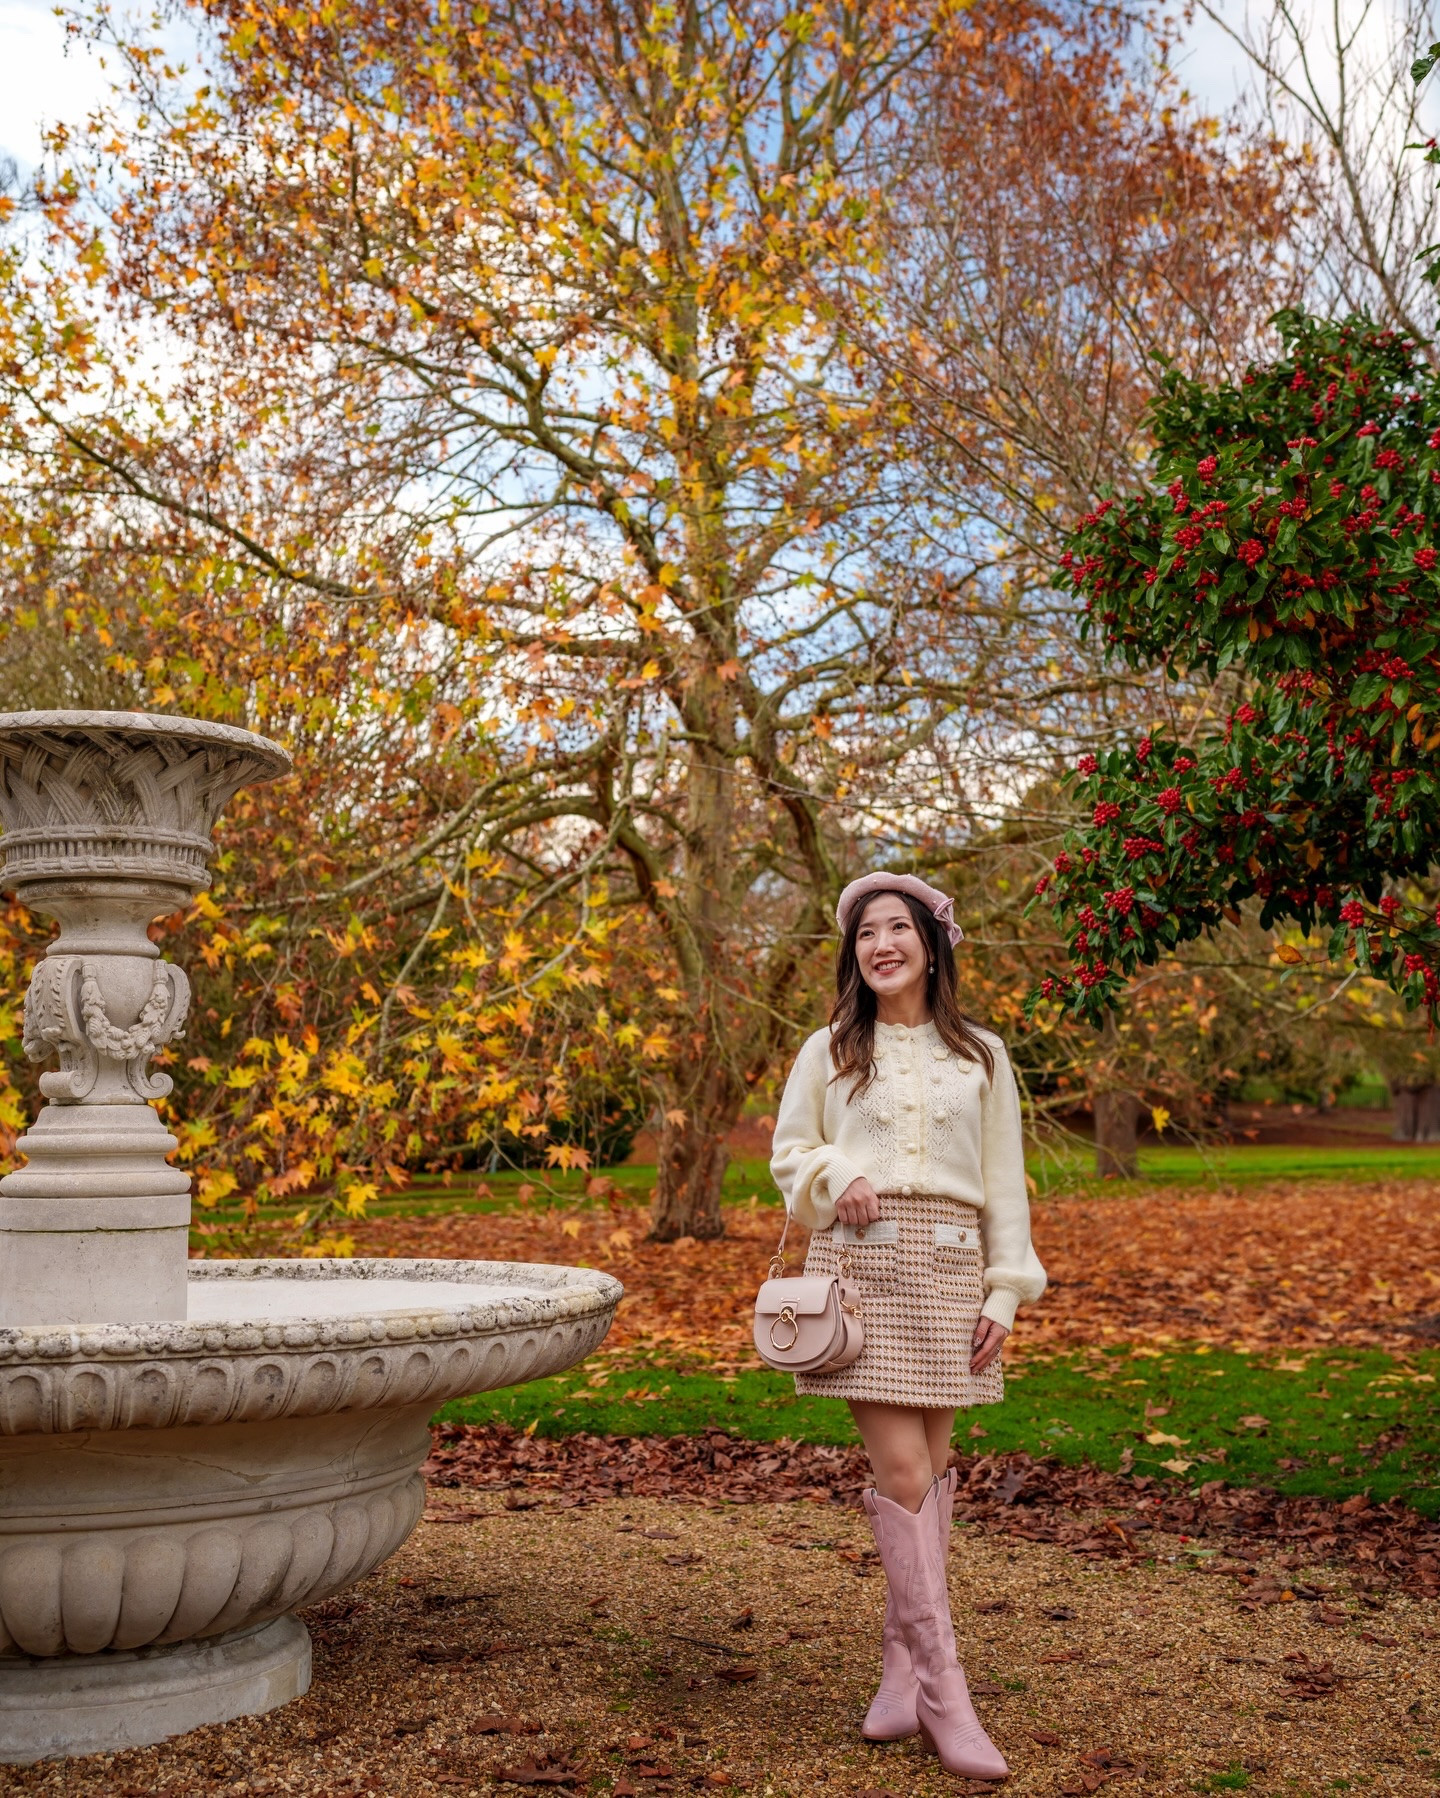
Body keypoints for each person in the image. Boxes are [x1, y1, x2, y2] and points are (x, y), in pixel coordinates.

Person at [769, 872, 1047, 1780]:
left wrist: (1004, 1294)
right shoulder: (830, 1049)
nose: (881, 944)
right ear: (853, 955)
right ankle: (945, 1690)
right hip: (862, 1271)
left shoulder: (984, 1055)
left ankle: (899, 1670)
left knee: (935, 1470)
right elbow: (788, 1152)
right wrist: (835, 1173)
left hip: (953, 1274)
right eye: (865, 934)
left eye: (898, 928)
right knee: (901, 1468)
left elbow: (1005, 1183)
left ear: (932, 941)